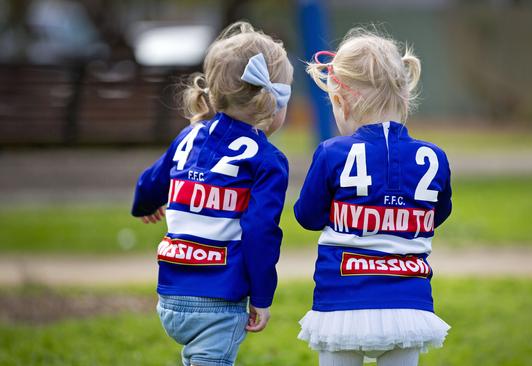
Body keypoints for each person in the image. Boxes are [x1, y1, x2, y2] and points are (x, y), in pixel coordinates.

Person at [131, 21, 292, 366]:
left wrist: (145, 203)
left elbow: (151, 181)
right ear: (271, 101)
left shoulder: (189, 136)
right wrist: (262, 296)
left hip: (171, 294)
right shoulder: (267, 159)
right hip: (218, 297)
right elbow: (261, 232)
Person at [294, 28, 452, 366]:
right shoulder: (434, 156)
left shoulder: (332, 152)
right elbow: (436, 214)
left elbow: (306, 216)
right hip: (408, 301)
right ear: (405, 95)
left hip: (342, 298)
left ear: (341, 100)